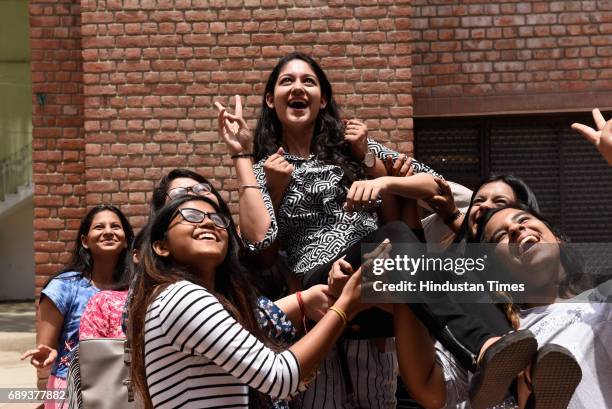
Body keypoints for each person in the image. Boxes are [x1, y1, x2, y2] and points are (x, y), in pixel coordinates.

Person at [216, 51, 443, 408]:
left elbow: (437, 185)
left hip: (380, 279)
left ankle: (482, 346)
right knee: (406, 238)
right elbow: (260, 250)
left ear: (323, 100)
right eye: (287, 81)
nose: (298, 87)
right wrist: (272, 188)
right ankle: (464, 339)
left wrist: (369, 161)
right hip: (321, 282)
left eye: (309, 81)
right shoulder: (265, 168)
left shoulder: (354, 149)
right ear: (269, 100)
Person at [128, 195, 370, 409]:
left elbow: (279, 380)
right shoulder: (183, 297)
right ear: (161, 246)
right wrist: (345, 306)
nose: (208, 221)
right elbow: (280, 378)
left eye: (218, 218)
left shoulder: (177, 299)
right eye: (191, 215)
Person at [476, 202, 608, 408]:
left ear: (557, 239)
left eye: (523, 219)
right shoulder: (503, 344)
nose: (515, 228)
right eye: (500, 236)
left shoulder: (603, 299)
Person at [21, 205, 134, 409]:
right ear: (85, 241)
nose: (108, 231)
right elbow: (45, 348)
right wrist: (47, 354)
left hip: (124, 389)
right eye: (99, 227)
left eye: (115, 226)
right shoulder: (63, 287)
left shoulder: (139, 288)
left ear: (126, 240)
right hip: (71, 388)